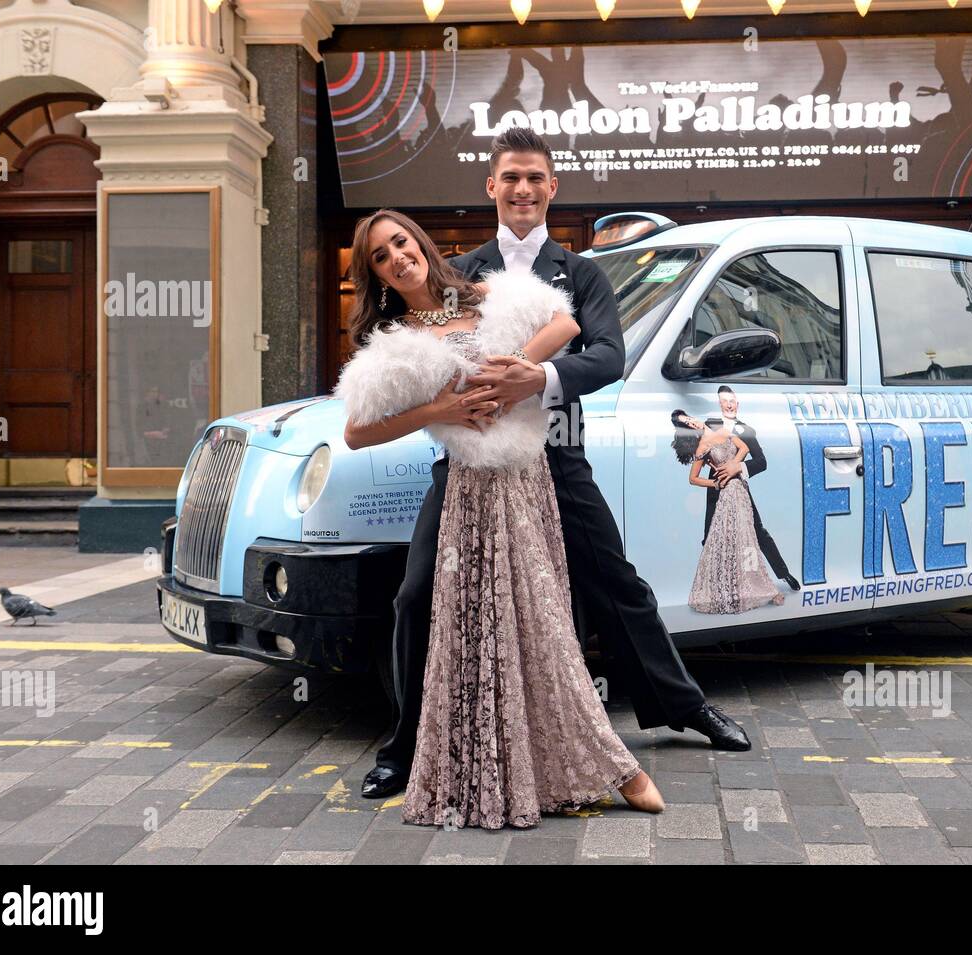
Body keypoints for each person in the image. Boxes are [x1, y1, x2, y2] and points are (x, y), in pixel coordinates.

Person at [360, 126, 751, 801]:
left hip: (557, 456)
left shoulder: (584, 270)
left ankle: (684, 706)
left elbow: (606, 355)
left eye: (534, 177)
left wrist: (533, 378)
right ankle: (402, 747)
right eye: (510, 176)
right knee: (416, 594)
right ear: (491, 186)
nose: (522, 189)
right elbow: (424, 349)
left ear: (551, 188)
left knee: (616, 584)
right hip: (469, 468)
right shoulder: (461, 272)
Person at [335, 209, 664, 828]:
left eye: (401, 242)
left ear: (421, 243)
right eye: (381, 256)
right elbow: (356, 433)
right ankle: (474, 758)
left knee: (540, 613)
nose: (397, 257)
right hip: (468, 485)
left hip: (527, 475)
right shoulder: (398, 337)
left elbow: (564, 323)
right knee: (464, 618)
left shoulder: (485, 292)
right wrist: (445, 408)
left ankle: (610, 764)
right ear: (376, 276)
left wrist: (513, 371)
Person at [674, 413, 786, 614]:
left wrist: (733, 466)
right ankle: (729, 587)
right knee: (726, 538)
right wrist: (715, 483)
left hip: (740, 489)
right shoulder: (701, 448)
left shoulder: (723, 431)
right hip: (725, 494)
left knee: (748, 536)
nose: (692, 423)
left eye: (689, 418)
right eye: (687, 424)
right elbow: (693, 478)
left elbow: (744, 448)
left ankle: (758, 587)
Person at [702, 386, 800, 593]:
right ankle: (714, 584)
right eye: (724, 401)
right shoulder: (709, 425)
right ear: (719, 404)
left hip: (738, 487)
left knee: (757, 530)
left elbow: (761, 461)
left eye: (732, 400)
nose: (729, 404)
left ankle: (783, 574)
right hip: (716, 488)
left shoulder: (746, 430)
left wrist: (739, 466)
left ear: (737, 404)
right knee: (710, 533)